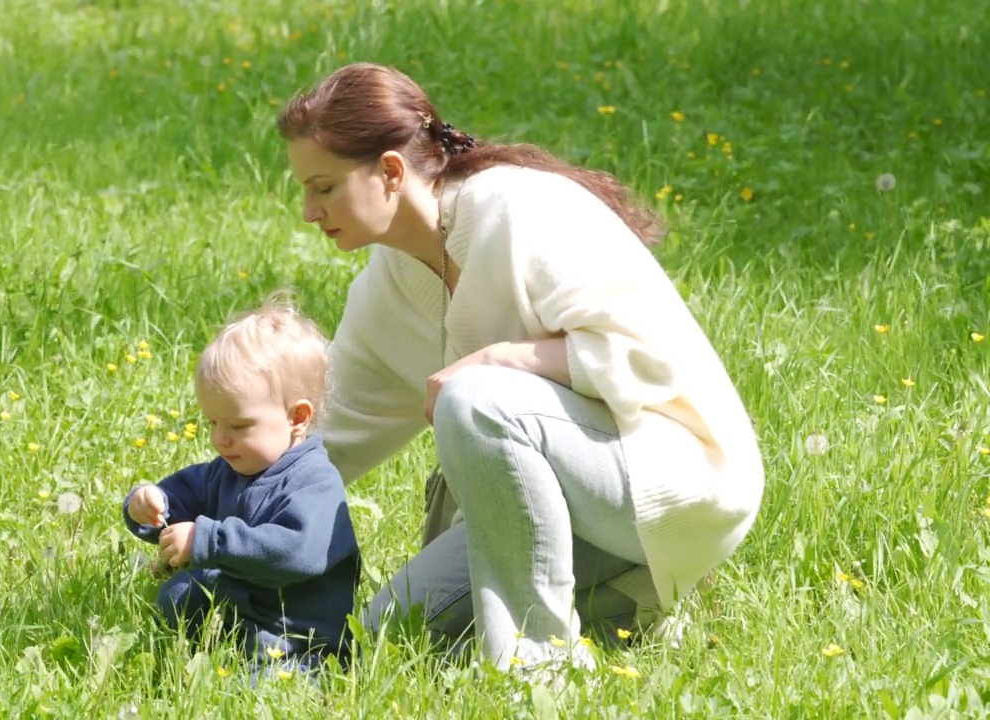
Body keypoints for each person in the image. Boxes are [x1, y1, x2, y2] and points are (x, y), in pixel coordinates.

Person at [275, 62, 765, 676]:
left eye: (323, 187)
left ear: (391, 172)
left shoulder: (516, 209)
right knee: (391, 637)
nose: (307, 211)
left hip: (683, 479)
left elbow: (652, 358)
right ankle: (634, 608)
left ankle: (534, 670)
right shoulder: (388, 284)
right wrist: (203, 514)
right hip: (583, 507)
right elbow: (326, 439)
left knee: (474, 399)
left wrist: (501, 360)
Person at [122, 294, 361, 674]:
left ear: (297, 418)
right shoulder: (231, 469)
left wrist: (205, 541)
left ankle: (301, 674)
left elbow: (295, 552)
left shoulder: (315, 483)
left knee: (262, 684)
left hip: (292, 635)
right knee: (178, 596)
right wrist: (151, 505)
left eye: (237, 425)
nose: (220, 438)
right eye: (213, 422)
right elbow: (185, 499)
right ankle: (184, 655)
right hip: (237, 610)